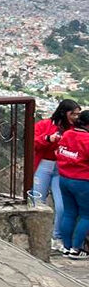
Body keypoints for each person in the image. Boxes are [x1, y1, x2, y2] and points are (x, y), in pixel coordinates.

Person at [35, 99, 81, 250]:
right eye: (73, 113)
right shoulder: (45, 125)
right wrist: (48, 139)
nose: (75, 117)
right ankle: (38, 238)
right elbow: (33, 141)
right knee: (37, 201)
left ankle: (56, 236)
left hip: (61, 167)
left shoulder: (75, 129)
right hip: (44, 164)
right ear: (64, 112)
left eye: (77, 114)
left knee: (61, 206)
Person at [57, 110, 89, 258]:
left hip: (64, 179)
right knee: (86, 215)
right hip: (82, 181)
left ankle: (66, 247)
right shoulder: (87, 140)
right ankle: (77, 249)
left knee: (69, 213)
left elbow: (59, 152)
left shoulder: (67, 134)